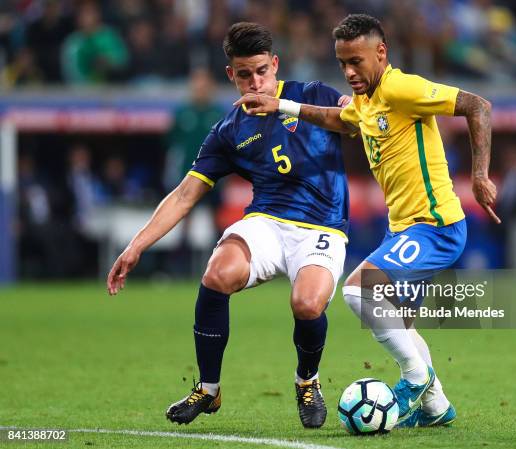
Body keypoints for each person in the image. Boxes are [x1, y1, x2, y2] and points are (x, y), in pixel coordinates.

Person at [234, 14, 500, 428]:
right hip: (406, 228)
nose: (349, 72)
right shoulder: (366, 102)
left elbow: (477, 106)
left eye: (356, 61)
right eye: (342, 63)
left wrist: (480, 175)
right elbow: (339, 120)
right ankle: (435, 407)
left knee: (359, 291)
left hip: (435, 226)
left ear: (381, 53)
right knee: (400, 320)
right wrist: (281, 104)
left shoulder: (400, 88)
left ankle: (416, 378)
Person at [107, 22, 351, 429]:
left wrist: (284, 107)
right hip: (267, 222)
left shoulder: (311, 94)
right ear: (230, 76)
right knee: (218, 272)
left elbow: (354, 121)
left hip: (322, 226)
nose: (255, 82)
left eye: (261, 71)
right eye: (244, 75)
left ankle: (307, 381)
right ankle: (208, 389)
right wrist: (137, 245)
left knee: (307, 304)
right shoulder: (228, 130)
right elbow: (185, 194)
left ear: (275, 64)